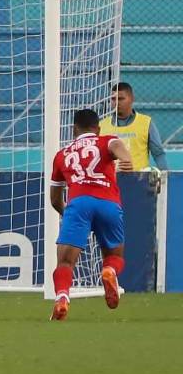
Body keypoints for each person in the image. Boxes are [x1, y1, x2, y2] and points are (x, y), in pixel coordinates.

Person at [48, 108, 133, 321]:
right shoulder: (105, 141)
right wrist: (126, 158)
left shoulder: (62, 155)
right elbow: (116, 146)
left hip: (78, 204)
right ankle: (110, 272)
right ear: (98, 128)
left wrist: (67, 214)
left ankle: (62, 298)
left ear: (73, 129)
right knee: (115, 256)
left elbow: (55, 199)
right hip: (108, 203)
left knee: (65, 262)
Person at [100, 82, 168, 171]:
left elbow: (158, 154)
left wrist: (166, 178)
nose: (116, 102)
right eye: (113, 99)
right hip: (111, 181)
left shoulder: (146, 123)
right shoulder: (101, 125)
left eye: (120, 99)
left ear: (132, 99)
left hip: (139, 181)